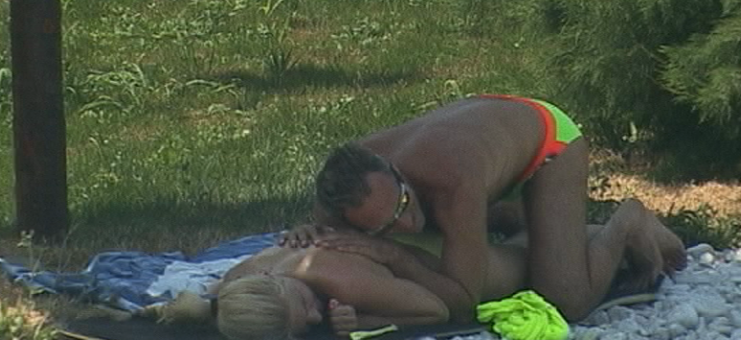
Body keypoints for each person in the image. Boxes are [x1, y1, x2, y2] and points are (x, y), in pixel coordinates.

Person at [281, 94, 687, 322]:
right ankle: (538, 225)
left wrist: (393, 253)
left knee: (565, 298)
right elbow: (322, 230)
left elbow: (463, 301)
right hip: (485, 128)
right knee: (446, 224)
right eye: (385, 226)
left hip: (548, 140)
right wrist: (305, 232)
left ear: (396, 171)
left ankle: (628, 222)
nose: (407, 224)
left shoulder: (453, 184)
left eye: (403, 204)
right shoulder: (345, 183)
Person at [156, 231, 528, 340]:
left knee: (529, 260)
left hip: (435, 252)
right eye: (306, 326)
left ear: (274, 279)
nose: (316, 316)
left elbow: (438, 310)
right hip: (393, 230)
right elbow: (215, 300)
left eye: (305, 305)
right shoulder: (241, 280)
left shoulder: (341, 281)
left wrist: (364, 322)